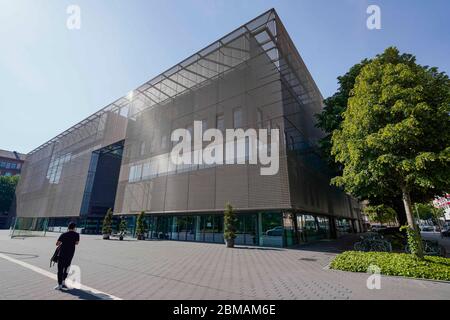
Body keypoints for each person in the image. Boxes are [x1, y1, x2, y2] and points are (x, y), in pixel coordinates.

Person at [54, 222, 80, 290]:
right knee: (66, 269)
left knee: (60, 269)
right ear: (74, 228)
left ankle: (59, 285)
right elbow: (76, 243)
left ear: (68, 227)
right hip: (70, 254)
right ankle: (63, 282)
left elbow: (57, 243)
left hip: (62, 253)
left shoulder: (64, 234)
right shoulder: (77, 235)